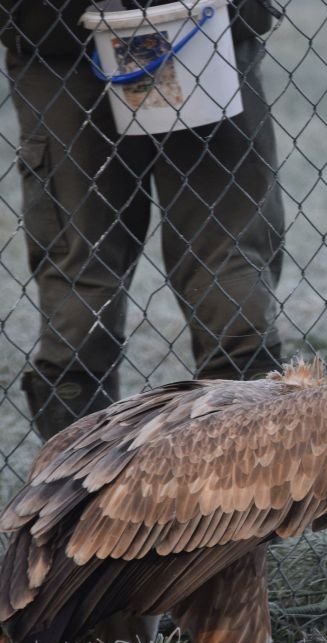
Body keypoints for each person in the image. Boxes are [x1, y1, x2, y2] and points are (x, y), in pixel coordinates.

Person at [1, 0, 286, 440]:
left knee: (82, 266)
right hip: (197, 29)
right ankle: (249, 483)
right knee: (226, 255)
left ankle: (80, 487)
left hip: (66, 32)